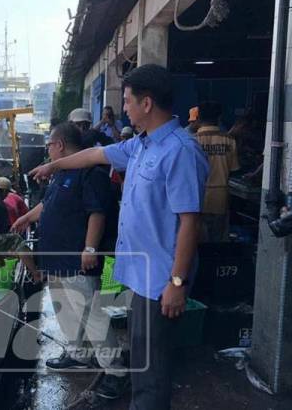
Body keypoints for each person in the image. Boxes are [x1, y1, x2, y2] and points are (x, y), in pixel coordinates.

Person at [31, 64, 209, 410]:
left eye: (127, 101)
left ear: (146, 103)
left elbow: (190, 223)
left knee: (152, 368)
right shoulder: (139, 146)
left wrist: (177, 282)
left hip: (161, 278)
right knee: (142, 359)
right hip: (140, 275)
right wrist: (54, 166)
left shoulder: (180, 150)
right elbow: (95, 154)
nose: (122, 108)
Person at [12, 123, 123, 384]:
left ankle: (115, 369)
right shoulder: (61, 172)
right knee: (66, 310)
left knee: (91, 313)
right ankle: (78, 354)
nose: (48, 150)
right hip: (54, 259)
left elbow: (97, 213)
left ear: (60, 144)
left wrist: (90, 248)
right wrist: (27, 218)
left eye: (49, 145)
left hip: (76, 259)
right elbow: (47, 204)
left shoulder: (90, 174)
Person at [195, 101, 239, 242]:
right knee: (218, 240)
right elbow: (234, 169)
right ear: (219, 117)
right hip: (220, 197)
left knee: (198, 241)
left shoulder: (192, 141)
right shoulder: (229, 140)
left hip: (197, 197)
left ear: (199, 118)